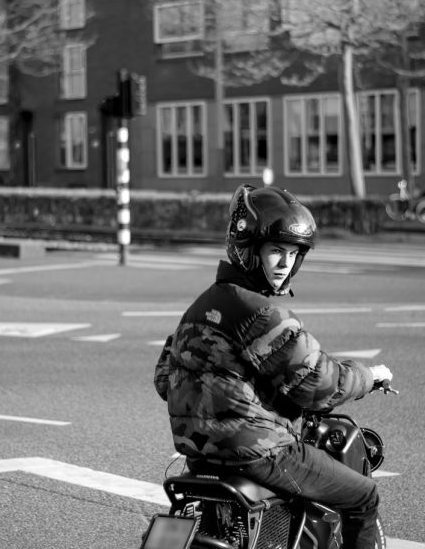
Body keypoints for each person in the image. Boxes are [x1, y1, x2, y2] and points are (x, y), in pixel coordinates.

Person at [154, 183, 393, 549]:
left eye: (294, 254)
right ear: (250, 251)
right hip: (259, 454)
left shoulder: (200, 306)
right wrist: (370, 376)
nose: (286, 263)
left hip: (198, 456)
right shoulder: (263, 312)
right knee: (364, 497)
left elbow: (163, 379)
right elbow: (318, 384)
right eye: (276, 251)